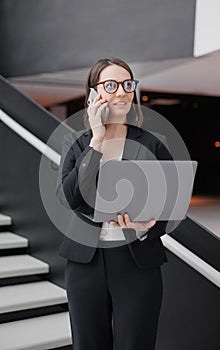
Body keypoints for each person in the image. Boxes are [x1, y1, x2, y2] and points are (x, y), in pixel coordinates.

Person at [56, 57, 172, 350]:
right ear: (94, 94)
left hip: (137, 263)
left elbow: (171, 209)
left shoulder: (153, 144)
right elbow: (69, 197)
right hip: (85, 263)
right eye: (111, 84)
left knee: (136, 343)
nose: (121, 92)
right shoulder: (78, 143)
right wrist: (97, 140)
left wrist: (146, 226)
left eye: (127, 84)